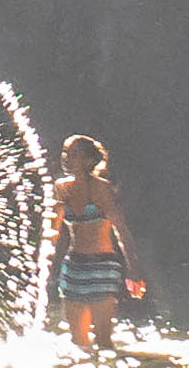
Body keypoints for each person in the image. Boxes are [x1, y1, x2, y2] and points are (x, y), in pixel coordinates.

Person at [47, 133, 145, 354]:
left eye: (74, 154)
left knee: (103, 342)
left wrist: (133, 270)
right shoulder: (62, 188)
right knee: (78, 343)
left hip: (102, 267)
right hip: (73, 268)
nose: (66, 158)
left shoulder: (102, 188)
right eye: (65, 153)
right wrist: (46, 269)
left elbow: (121, 230)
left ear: (89, 160)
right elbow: (54, 233)